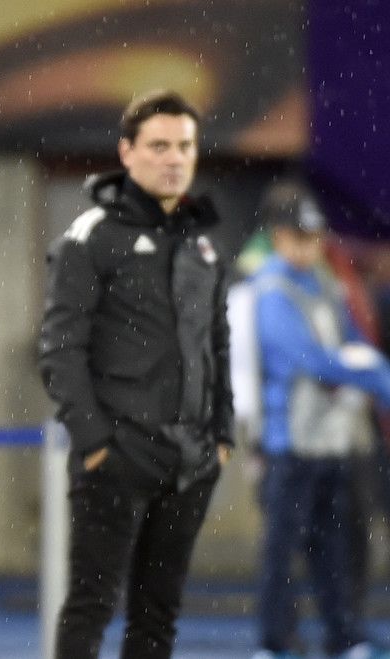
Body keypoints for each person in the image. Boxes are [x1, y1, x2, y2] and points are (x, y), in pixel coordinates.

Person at [38, 90, 233, 658]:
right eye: (159, 146)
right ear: (126, 152)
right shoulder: (91, 236)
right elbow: (59, 349)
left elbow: (218, 347)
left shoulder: (203, 244)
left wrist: (221, 436)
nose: (174, 159)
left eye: (185, 146)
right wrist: (97, 443)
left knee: (157, 618)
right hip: (116, 460)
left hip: (190, 461)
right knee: (90, 608)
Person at [251, 180, 390, 659]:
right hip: (289, 441)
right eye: (298, 237)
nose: (308, 248)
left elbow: (355, 342)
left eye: (313, 238)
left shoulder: (325, 282)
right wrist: (373, 377)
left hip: (331, 439)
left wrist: (373, 372)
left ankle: (343, 633)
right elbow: (309, 359)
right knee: (282, 548)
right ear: (279, 236)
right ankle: (275, 640)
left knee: (334, 546)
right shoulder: (271, 289)